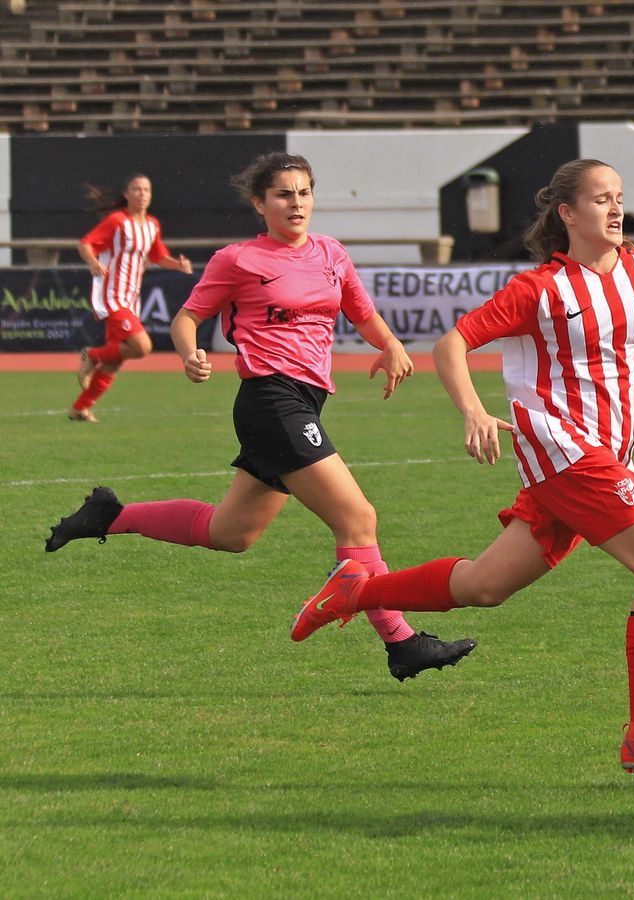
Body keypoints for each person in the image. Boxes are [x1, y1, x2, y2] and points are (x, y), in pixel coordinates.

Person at [289, 158, 634, 774]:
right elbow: (452, 344)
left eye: (619, 197)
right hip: (568, 453)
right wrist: (473, 411)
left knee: (485, 585)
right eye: (602, 199)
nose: (616, 209)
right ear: (567, 214)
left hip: (600, 456)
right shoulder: (541, 289)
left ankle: (358, 591)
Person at [45, 152, 477, 682]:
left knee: (231, 532)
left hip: (304, 401)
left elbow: (360, 310)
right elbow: (188, 317)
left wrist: (389, 345)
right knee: (358, 520)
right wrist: (189, 354)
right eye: (283, 194)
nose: (296, 203)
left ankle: (109, 515)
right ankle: (402, 643)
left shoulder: (331, 254)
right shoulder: (238, 259)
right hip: (271, 401)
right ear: (259, 204)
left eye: (304, 193)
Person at [70, 174, 194, 423]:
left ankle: (80, 408)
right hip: (113, 296)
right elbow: (85, 243)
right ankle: (91, 354)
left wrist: (177, 265)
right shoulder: (117, 221)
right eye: (136, 189)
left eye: (146, 189)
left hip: (131, 299)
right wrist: (93, 263)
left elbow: (158, 255)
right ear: (126, 194)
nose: (142, 193)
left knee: (114, 362)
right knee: (143, 347)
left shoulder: (152, 225)